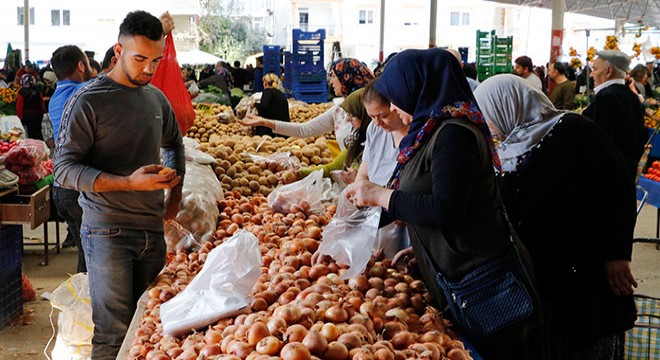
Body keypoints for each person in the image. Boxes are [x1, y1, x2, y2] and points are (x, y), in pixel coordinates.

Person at [344, 48, 533, 358]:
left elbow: (447, 209)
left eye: (395, 99)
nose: (393, 108)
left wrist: (380, 195)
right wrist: (421, 244)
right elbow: (424, 200)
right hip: (460, 274)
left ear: (418, 88)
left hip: (486, 283)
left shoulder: (454, 134)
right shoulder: (428, 131)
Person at [474, 74, 638, 360]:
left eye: (487, 113)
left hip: (585, 262)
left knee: (585, 340)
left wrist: (617, 254)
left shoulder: (573, 129)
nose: (487, 124)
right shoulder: (507, 147)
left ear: (508, 103)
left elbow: (619, 186)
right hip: (541, 270)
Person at [53, 10, 184, 359]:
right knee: (112, 335)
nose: (148, 69)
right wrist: (128, 183)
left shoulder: (156, 99)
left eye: (155, 60)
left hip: (152, 233)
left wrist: (174, 198)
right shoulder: (88, 99)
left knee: (146, 329)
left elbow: (174, 142)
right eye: (139, 58)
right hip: (106, 232)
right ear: (118, 50)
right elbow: (64, 169)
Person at [239, 58, 375, 152]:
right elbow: (304, 130)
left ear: (347, 78)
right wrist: (266, 122)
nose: (330, 82)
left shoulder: (372, 113)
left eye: (333, 76)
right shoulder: (339, 111)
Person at [49, 44, 94, 272]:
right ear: (80, 65)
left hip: (61, 188)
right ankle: (86, 303)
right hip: (75, 188)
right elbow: (113, 81)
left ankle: (84, 299)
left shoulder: (56, 96)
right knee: (90, 255)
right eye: (87, 62)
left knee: (85, 251)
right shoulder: (83, 91)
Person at [582, 50, 646, 177]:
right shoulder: (634, 99)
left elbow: (596, 144)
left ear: (608, 71)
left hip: (606, 179)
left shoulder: (606, 98)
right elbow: (640, 141)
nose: (591, 75)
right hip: (626, 176)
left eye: (594, 69)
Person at [298, 88, 372, 180]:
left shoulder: (376, 144)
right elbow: (333, 167)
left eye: (353, 114)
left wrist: (358, 176)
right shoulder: (356, 140)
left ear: (365, 115)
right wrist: (298, 174)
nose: (349, 119)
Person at [252, 73, 289, 137]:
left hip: (269, 131)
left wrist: (254, 104)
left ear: (265, 83)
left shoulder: (267, 92)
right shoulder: (281, 94)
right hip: (282, 130)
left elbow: (264, 107)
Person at [15, 74, 45, 140]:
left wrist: (19, 119)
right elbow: (42, 104)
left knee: (30, 135)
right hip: (38, 116)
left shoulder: (21, 92)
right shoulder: (38, 91)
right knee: (38, 133)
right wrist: (41, 114)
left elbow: (19, 108)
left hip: (27, 117)